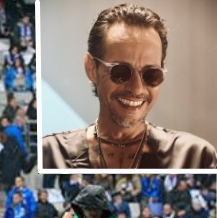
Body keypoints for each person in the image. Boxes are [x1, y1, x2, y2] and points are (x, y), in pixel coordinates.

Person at [42, 4, 217, 169]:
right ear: (92, 68)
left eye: (151, 74)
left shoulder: (195, 157)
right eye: (121, 72)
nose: (137, 89)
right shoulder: (50, 154)